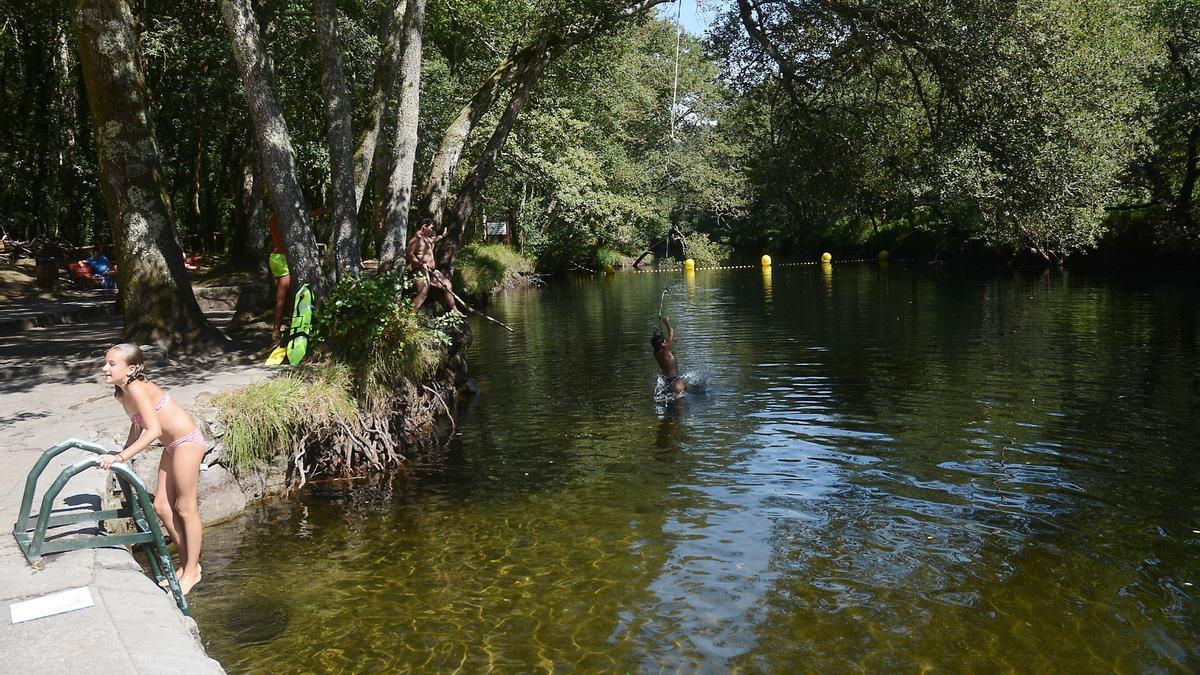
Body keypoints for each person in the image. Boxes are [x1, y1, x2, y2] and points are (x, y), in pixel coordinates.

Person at [98, 343, 204, 595]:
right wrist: (120, 452)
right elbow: (138, 424)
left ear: (131, 368)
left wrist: (122, 456)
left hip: (186, 442)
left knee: (185, 507)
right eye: (106, 362)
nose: (105, 368)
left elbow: (153, 430)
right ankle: (190, 565)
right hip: (172, 446)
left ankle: (191, 572)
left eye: (112, 364)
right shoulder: (122, 391)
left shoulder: (136, 388)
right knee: (162, 508)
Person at [406, 221, 460, 314]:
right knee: (423, 292)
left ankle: (454, 310)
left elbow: (434, 239)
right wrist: (420, 264)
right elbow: (409, 254)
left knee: (447, 285)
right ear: (424, 226)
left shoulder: (426, 238)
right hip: (420, 270)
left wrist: (442, 236)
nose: (431, 230)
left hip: (432, 271)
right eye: (430, 228)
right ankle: (410, 315)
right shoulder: (415, 239)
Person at [267, 214, 291, 342]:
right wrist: (321, 212)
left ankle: (287, 325)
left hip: (274, 258)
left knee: (288, 296)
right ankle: (276, 331)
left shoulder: (273, 218)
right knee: (281, 298)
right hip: (282, 260)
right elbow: (304, 214)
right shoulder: (284, 217)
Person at [651, 314, 687, 396]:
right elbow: (671, 333)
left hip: (666, 381)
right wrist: (666, 322)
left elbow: (656, 342)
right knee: (699, 390)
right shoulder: (665, 349)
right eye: (663, 342)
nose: (665, 342)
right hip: (675, 381)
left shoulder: (655, 352)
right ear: (663, 344)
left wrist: (656, 334)